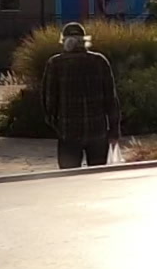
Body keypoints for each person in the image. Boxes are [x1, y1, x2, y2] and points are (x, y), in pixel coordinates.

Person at [45, 21, 118, 171]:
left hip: (68, 132)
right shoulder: (100, 61)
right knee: (97, 175)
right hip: (97, 131)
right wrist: (114, 129)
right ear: (85, 41)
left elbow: (49, 101)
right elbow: (111, 99)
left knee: (70, 177)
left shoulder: (55, 64)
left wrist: (56, 125)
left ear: (64, 41)